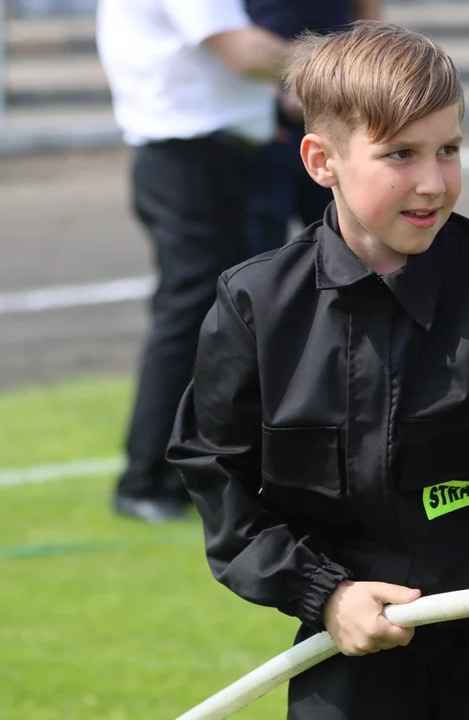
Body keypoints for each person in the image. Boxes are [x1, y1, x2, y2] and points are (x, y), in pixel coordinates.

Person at [167, 21, 469, 719]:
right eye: (399, 154)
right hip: (351, 647)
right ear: (320, 161)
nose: (431, 181)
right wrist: (323, 593)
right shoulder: (257, 305)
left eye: (448, 149)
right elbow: (217, 474)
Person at [96, 0, 292, 522]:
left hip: (209, 155)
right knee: (190, 320)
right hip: (190, 160)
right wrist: (344, 68)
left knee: (220, 321)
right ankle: (147, 479)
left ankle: (185, 471)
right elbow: (243, 51)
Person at [243, 0, 385, 258]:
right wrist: (264, 99)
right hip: (263, 118)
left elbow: (368, 14)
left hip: (340, 110)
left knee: (351, 246)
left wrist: (360, 81)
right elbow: (230, 35)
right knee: (262, 252)